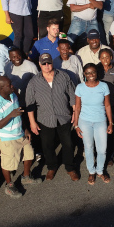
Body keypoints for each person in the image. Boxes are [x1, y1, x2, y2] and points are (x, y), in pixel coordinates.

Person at [25, 53, 79, 181]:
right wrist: (32, 122)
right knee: (47, 145)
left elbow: (72, 96)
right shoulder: (34, 82)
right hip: (45, 119)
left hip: (63, 116)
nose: (46, 65)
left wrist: (75, 114)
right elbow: (30, 104)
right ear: (39, 64)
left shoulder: (64, 76)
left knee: (68, 144)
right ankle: (51, 167)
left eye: (48, 63)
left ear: (52, 63)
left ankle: (70, 168)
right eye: (43, 63)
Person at [0, 76, 42, 198]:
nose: (12, 86)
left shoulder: (13, 95)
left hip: (20, 133)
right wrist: (10, 115)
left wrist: (25, 129)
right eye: (9, 85)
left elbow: (19, 114)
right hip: (7, 138)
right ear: (1, 87)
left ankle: (26, 177)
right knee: (8, 164)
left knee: (29, 154)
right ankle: (9, 185)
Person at [73, 63, 113, 184]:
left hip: (100, 120)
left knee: (102, 149)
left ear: (97, 73)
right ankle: (91, 171)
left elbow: (107, 105)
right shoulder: (80, 87)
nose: (91, 75)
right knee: (89, 147)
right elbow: (78, 107)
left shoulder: (104, 86)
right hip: (84, 121)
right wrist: (76, 125)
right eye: (88, 73)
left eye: (93, 72)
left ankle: (100, 171)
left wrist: (111, 123)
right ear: (84, 74)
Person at [96, 49, 114, 166]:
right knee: (98, 132)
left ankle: (110, 156)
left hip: (110, 105)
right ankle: (99, 155)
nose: (105, 60)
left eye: (107, 57)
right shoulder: (95, 69)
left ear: (111, 57)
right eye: (102, 57)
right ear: (99, 59)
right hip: (97, 106)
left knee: (110, 131)